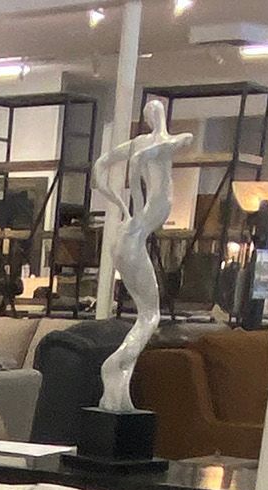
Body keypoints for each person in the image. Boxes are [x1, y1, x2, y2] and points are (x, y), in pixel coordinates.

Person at [92, 99, 193, 413]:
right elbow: (104, 167)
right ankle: (114, 366)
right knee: (150, 315)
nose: (155, 115)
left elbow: (100, 167)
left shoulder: (155, 144)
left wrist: (122, 200)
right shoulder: (149, 146)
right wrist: (128, 201)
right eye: (153, 111)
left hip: (131, 233)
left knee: (148, 313)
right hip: (133, 235)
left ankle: (119, 391)